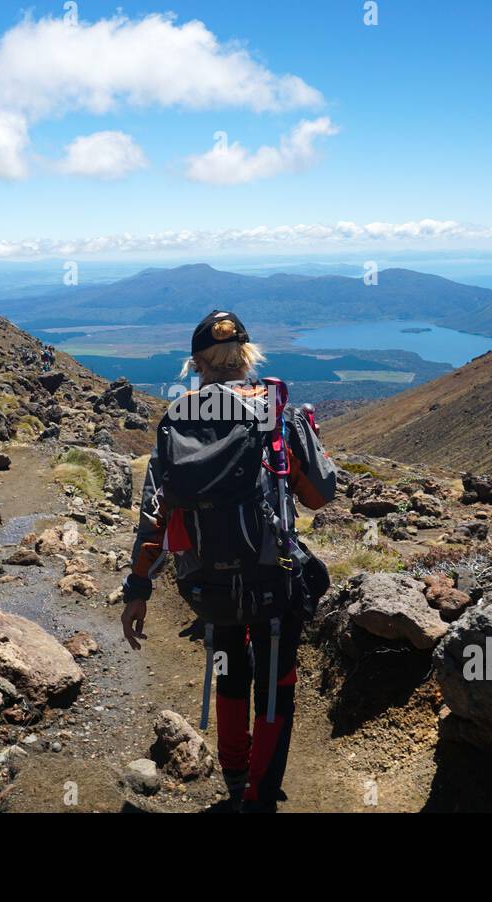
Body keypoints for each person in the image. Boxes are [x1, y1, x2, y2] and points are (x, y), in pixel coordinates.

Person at [120, 310, 336, 813]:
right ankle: (260, 798)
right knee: (277, 680)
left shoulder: (176, 418)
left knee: (229, 669)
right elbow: (320, 495)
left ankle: (235, 780)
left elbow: (155, 513)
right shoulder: (277, 411)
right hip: (273, 577)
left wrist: (138, 588)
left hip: (206, 583)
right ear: (247, 356)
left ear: (195, 364)